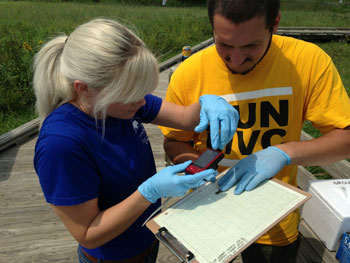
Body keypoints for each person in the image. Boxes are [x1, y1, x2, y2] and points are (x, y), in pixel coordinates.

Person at [32, 18, 239, 263]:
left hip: (148, 237)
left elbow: (184, 117)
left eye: (143, 92)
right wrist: (150, 192)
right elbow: (87, 233)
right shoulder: (61, 144)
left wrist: (208, 103)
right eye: (131, 95)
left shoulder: (120, 103)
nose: (143, 103)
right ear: (84, 88)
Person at [159, 0, 350, 262]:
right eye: (224, 44)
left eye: (251, 45)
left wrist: (285, 152)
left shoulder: (307, 61)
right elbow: (173, 142)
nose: (236, 59)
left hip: (273, 220)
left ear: (275, 24)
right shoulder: (189, 72)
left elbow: (345, 139)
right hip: (206, 210)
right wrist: (197, 166)